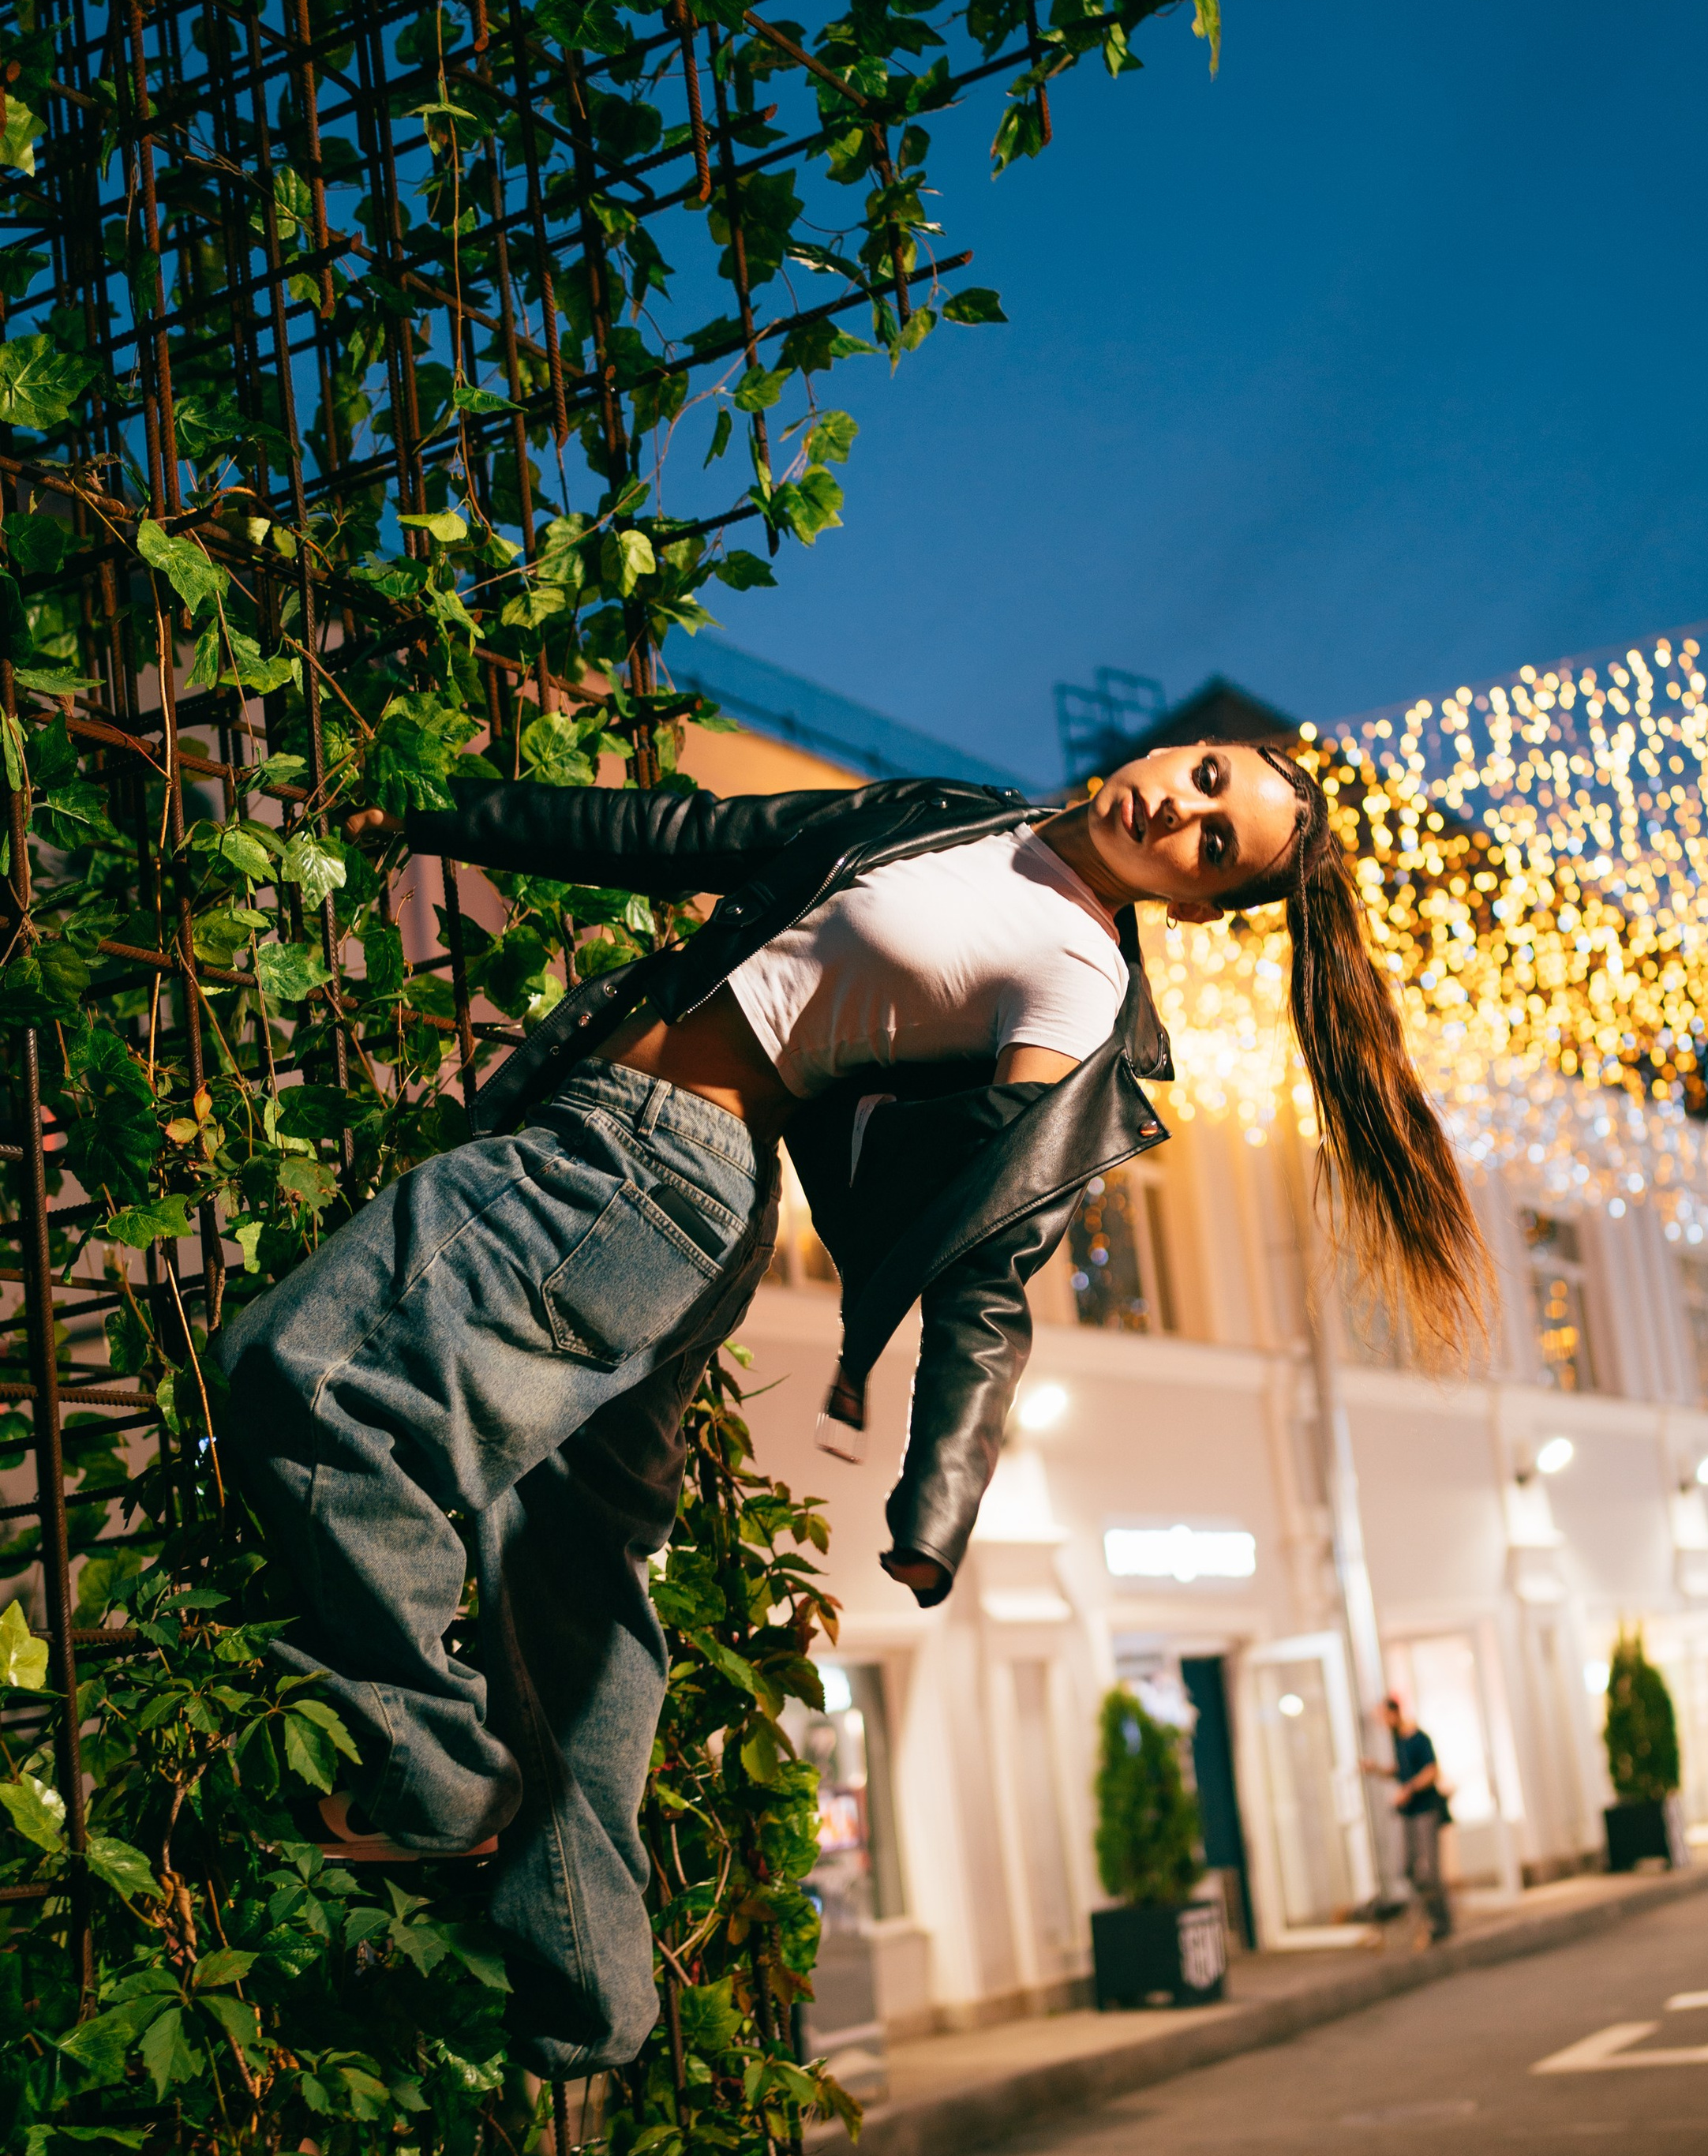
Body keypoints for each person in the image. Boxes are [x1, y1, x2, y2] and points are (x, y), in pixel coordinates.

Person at [219, 743, 1489, 2073]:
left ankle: (424, 1764)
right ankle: (585, 1983)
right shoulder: (959, 818)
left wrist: (938, 1497)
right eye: (1209, 779)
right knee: (565, 1578)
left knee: (307, 1386)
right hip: (659, 1184)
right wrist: (438, 810)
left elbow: (993, 1265)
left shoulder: (1076, 975)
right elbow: (688, 833)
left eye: (1212, 845)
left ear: (1199, 905)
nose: (1181, 808)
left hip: (643, 1176)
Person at [1383, 1693, 1451, 1944]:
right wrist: (1376, 1769)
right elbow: (1401, 1771)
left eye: (1385, 1716)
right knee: (1408, 1869)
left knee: (1431, 1871)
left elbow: (1431, 1772)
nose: (1384, 1722)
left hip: (1425, 1810)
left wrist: (1408, 1789)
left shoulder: (1419, 1739)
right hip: (1408, 1814)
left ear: (1395, 1713)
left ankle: (1442, 1922)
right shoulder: (1397, 1741)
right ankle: (1431, 1916)